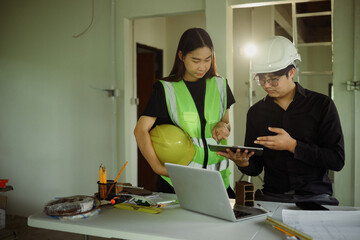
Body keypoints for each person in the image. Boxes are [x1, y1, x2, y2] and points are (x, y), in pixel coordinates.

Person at [217, 36, 344, 205]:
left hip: (315, 196)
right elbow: (255, 168)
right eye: (261, 79)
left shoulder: (321, 105)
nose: (267, 85)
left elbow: (336, 160)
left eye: (273, 80)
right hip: (273, 196)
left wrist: (293, 146)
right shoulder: (256, 112)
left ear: (291, 72)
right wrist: (244, 162)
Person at [133, 28, 236, 197]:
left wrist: (222, 126)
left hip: (218, 182)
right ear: (181, 56)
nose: (202, 66)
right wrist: (157, 167)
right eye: (196, 60)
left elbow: (226, 122)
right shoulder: (165, 89)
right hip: (178, 183)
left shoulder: (221, 85)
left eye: (207, 59)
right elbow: (140, 131)